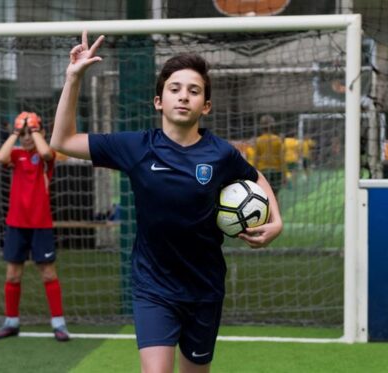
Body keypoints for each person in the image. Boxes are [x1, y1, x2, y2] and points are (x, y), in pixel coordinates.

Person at [50, 31, 283, 373]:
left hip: (204, 286)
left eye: (193, 90)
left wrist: (276, 221)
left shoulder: (221, 153)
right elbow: (63, 140)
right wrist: (73, 79)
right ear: (159, 101)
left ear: (206, 105)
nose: (183, 96)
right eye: (174, 89)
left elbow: (255, 178)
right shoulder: (137, 147)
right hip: (153, 286)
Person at [0, 111, 70, 342]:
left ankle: (58, 323)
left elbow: (45, 151)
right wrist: (15, 132)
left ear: (40, 133)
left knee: (47, 273)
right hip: (16, 224)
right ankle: (11, 322)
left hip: (40, 224)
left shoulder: (47, 156)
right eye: (23, 134)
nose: (26, 138)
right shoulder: (16, 155)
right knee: (13, 274)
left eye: (31, 133)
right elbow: (0, 157)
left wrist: (36, 130)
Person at [254, 114, 284, 196]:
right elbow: (282, 158)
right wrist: (284, 174)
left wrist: (253, 173)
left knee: (264, 197)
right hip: (276, 171)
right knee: (275, 196)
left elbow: (256, 159)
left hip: (263, 171)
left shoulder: (258, 140)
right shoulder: (277, 140)